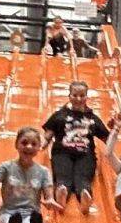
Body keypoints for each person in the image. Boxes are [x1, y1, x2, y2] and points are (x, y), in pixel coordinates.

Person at [42, 80, 112, 214]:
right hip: (62, 152)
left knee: (83, 178)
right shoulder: (60, 115)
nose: (78, 99)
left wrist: (115, 129)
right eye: (75, 95)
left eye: (82, 95)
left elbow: (107, 140)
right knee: (63, 175)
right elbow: (47, 135)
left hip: (85, 154)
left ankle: (85, 195)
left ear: (86, 97)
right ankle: (62, 192)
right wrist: (41, 145)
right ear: (69, 96)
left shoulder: (92, 118)